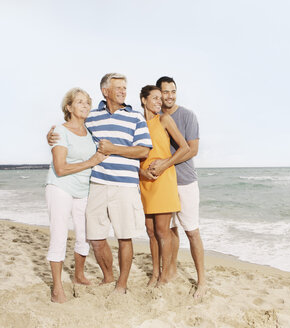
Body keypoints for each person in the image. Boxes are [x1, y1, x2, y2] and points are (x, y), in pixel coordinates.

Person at [48, 73, 152, 294]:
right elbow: (72, 129)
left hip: (124, 186)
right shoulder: (92, 118)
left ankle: (121, 285)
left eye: (125, 87)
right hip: (96, 184)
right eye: (118, 87)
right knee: (94, 237)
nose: (123, 91)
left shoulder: (135, 118)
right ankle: (108, 277)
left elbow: (143, 150)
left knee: (124, 236)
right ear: (106, 91)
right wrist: (50, 135)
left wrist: (114, 149)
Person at [45, 87, 107, 303]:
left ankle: (79, 276)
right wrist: (91, 162)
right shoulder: (60, 132)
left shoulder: (89, 132)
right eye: (79, 102)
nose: (85, 106)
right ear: (69, 107)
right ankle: (57, 288)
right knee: (59, 236)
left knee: (84, 236)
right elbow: (60, 168)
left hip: (83, 190)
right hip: (60, 188)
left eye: (87, 102)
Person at [152, 76, 206, 298]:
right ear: (159, 93)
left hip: (185, 182)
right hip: (163, 185)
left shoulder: (187, 116)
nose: (170, 96)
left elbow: (192, 150)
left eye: (173, 91)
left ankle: (202, 281)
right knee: (168, 231)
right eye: (165, 92)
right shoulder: (154, 118)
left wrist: (165, 164)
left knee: (191, 231)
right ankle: (170, 271)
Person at [138, 85, 189, 287]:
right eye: (155, 98)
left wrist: (165, 164)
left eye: (161, 98)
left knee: (162, 230)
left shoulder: (164, 120)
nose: (160, 102)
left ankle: (165, 274)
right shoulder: (138, 123)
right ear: (144, 100)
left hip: (164, 179)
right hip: (145, 180)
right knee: (150, 231)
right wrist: (141, 172)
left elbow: (184, 148)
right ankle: (154, 273)